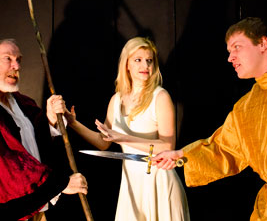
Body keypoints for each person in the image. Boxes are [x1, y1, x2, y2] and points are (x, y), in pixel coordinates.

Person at [152, 17, 267, 220]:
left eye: (237, 47)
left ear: (263, 44)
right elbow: (223, 148)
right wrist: (180, 155)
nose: (230, 58)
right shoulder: (246, 106)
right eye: (229, 51)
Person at [0, 39, 88, 221]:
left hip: (32, 207)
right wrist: (58, 184)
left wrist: (50, 120)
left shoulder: (21, 102)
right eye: (7, 58)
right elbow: (1, 159)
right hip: (0, 210)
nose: (16, 66)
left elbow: (31, 146)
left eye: (19, 60)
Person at [64, 37, 190, 221]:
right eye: (138, 60)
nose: (145, 65)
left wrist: (123, 138)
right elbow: (103, 142)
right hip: (131, 184)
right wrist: (73, 123)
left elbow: (167, 147)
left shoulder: (160, 97)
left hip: (159, 182)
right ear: (127, 65)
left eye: (149, 60)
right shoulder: (116, 100)